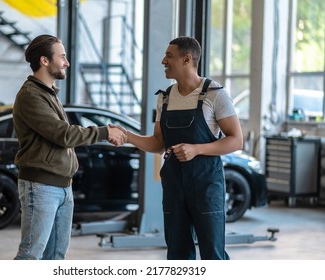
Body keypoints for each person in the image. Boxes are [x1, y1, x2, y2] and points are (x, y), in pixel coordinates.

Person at [113, 36, 243, 260]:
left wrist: (197, 149)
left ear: (187, 59)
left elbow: (236, 140)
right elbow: (158, 142)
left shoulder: (215, 94)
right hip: (174, 184)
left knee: (213, 253)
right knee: (177, 253)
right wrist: (128, 136)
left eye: (169, 56)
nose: (163, 60)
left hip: (206, 186)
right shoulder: (165, 98)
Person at [13, 34, 126, 260]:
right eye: (62, 57)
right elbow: (63, 134)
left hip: (62, 186)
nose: (67, 62)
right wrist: (104, 132)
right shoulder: (31, 95)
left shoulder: (49, 94)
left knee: (55, 256)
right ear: (45, 61)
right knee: (30, 256)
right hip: (41, 186)